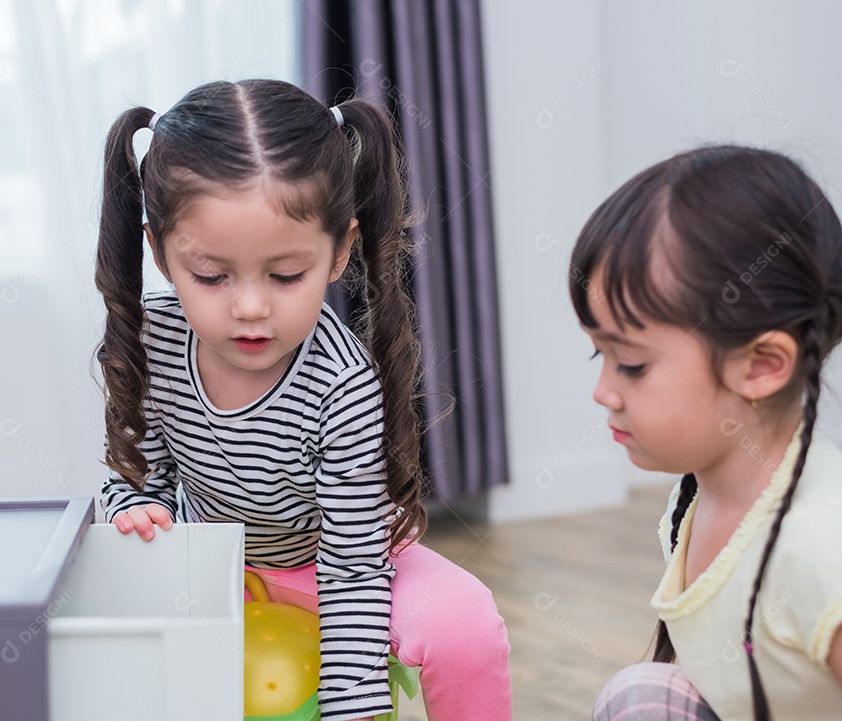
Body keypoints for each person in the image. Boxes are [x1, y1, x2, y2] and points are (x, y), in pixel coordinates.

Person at [93, 79, 511, 721]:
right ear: (160, 253)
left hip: (334, 568)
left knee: (468, 625)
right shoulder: (153, 340)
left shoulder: (339, 384)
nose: (251, 307)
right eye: (211, 276)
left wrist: (352, 705)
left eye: (287, 275)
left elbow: (353, 569)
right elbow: (143, 476)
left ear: (340, 251)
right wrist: (139, 511)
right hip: (208, 563)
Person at [571, 145, 842, 721]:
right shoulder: (693, 498)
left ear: (763, 364)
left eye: (633, 364)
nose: (603, 391)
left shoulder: (821, 550)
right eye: (601, 354)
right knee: (638, 694)